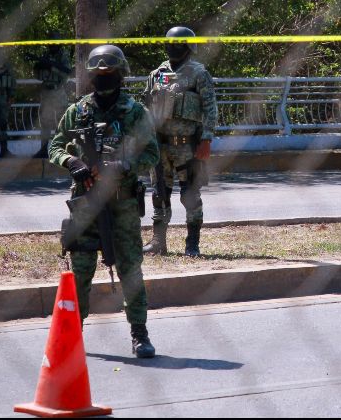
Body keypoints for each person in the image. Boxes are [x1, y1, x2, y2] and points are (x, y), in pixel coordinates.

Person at [48, 44, 160, 358]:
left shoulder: (135, 112)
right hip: (85, 203)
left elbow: (151, 153)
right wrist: (71, 162)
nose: (103, 79)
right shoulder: (78, 110)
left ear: (120, 75)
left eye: (108, 74)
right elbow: (55, 145)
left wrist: (125, 165)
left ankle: (139, 334)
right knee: (80, 270)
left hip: (122, 203)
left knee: (130, 270)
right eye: (98, 74)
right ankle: (72, 334)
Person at [142, 26, 218, 257]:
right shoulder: (157, 74)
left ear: (187, 46)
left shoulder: (198, 73)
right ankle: (158, 242)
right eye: (170, 43)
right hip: (160, 145)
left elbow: (210, 109)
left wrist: (206, 139)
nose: (173, 47)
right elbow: (145, 107)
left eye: (178, 43)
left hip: (188, 146)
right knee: (159, 194)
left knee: (190, 195)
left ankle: (192, 244)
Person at [29, 32, 72, 158]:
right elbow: (37, 75)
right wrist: (40, 66)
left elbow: (66, 74)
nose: (51, 46)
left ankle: (65, 149)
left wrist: (51, 67)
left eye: (54, 43)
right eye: (50, 43)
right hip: (46, 92)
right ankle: (43, 149)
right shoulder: (45, 55)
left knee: (62, 122)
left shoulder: (63, 56)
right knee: (44, 122)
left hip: (58, 91)